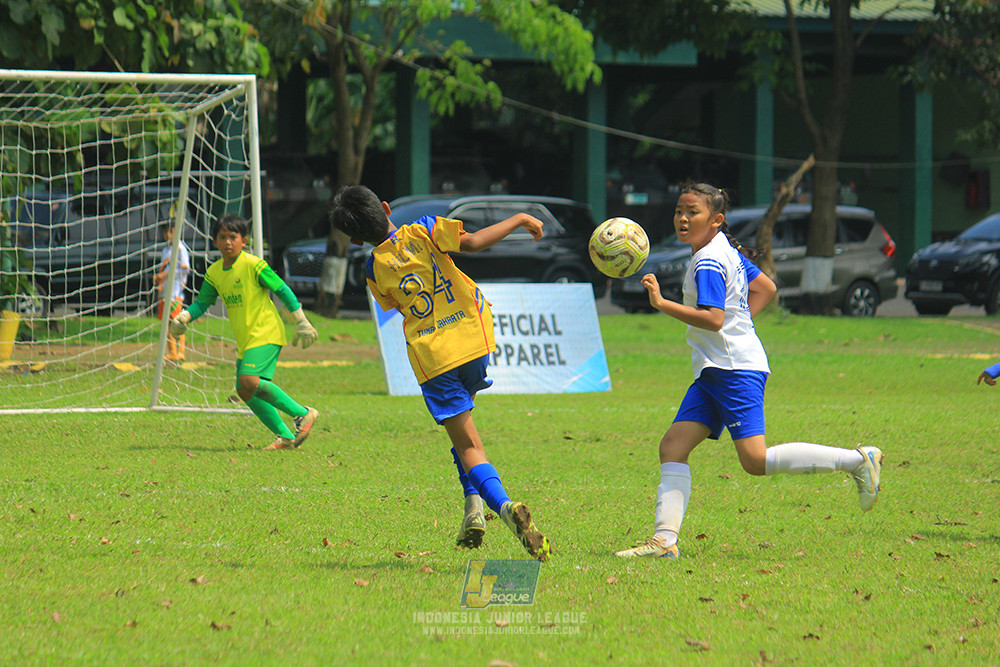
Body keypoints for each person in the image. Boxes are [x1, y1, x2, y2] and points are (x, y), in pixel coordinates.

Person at [614, 182, 883, 559]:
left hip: (733, 369)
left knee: (755, 461)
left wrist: (661, 302)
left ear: (716, 219)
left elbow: (712, 319)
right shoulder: (724, 249)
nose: (683, 218)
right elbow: (767, 289)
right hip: (718, 369)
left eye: (693, 212)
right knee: (673, 446)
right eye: (679, 211)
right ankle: (664, 542)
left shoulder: (708, 259)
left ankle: (858, 460)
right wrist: (740, 329)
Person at [328, 185, 551, 561]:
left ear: (354, 239)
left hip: (435, 358)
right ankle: (472, 509)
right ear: (385, 207)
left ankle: (505, 507)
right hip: (473, 340)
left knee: (468, 446)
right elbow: (475, 242)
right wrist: (520, 218)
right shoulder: (424, 228)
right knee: (465, 435)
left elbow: (395, 305)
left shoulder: (371, 269)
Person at [169, 213, 320, 451]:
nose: (227, 242)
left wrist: (301, 320)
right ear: (215, 241)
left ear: (244, 240)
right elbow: (202, 303)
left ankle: (302, 414)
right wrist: (184, 316)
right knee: (243, 389)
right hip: (246, 339)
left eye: (233, 237)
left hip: (266, 332)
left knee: (249, 380)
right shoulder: (214, 272)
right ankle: (286, 436)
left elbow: (281, 289)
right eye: (222, 237)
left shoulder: (253, 264)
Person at [154, 223, 191, 362]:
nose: (167, 235)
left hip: (175, 293)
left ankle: (180, 352)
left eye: (170, 232)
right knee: (167, 324)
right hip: (165, 292)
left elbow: (185, 269)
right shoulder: (165, 250)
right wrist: (159, 278)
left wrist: (166, 274)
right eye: (165, 232)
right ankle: (173, 352)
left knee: (177, 322)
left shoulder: (181, 249)